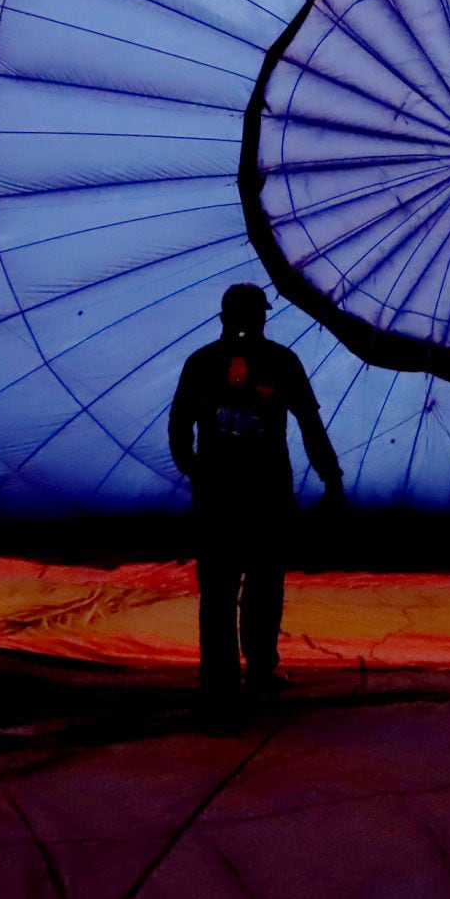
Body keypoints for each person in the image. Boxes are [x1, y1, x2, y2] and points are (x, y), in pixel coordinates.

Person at [168, 283, 349, 697]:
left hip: (223, 496)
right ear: (262, 317)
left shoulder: (202, 363)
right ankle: (258, 671)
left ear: (222, 318)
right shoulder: (281, 361)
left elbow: (179, 428)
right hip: (265, 494)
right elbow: (309, 425)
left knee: (220, 589)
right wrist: (331, 478)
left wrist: (197, 471)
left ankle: (221, 680)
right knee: (262, 585)